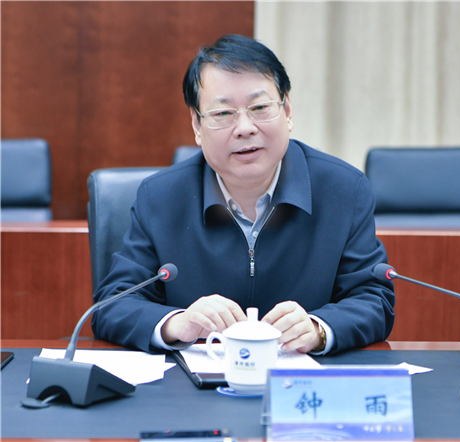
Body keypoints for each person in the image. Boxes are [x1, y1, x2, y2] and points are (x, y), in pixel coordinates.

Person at [92, 34, 395, 356]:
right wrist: (176, 323)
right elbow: (112, 304)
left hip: (300, 378)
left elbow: (373, 299)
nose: (245, 127)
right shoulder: (161, 197)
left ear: (287, 111)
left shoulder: (343, 189)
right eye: (223, 113)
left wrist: (319, 328)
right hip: (193, 382)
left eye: (260, 107)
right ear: (197, 125)